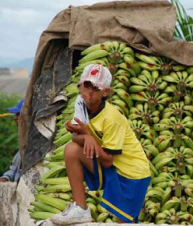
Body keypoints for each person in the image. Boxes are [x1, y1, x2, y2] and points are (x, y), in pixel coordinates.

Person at [50, 64, 151, 224]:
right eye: (87, 85)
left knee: (125, 222)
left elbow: (107, 160)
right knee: (72, 150)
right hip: (113, 168)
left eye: (96, 88)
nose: (89, 92)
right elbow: (76, 138)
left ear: (106, 92)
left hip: (133, 173)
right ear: (80, 85)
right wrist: (86, 136)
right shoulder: (80, 104)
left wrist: (88, 135)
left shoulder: (111, 119)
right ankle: (80, 208)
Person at [0, 99, 24, 182]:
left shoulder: (36, 141)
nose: (15, 117)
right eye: (14, 114)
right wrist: (5, 178)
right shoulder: (23, 140)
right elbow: (14, 169)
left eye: (18, 114)